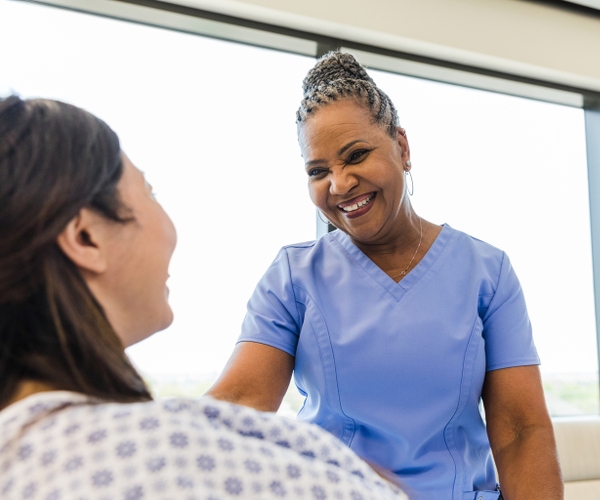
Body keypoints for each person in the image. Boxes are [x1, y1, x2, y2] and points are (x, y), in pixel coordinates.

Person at [0, 95, 407, 500]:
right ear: (86, 237)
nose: (339, 183)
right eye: (150, 192)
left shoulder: (27, 451)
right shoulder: (157, 455)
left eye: (356, 156)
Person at [208, 51, 564, 499]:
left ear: (402, 147)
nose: (339, 184)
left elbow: (520, 429)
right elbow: (239, 405)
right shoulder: (293, 276)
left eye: (356, 155)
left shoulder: (486, 272)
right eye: (318, 171)